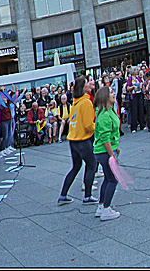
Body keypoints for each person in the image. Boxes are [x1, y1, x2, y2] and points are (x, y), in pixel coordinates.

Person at [58, 75, 96, 206]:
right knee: (92, 165)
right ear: (83, 87)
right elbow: (88, 125)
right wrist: (97, 128)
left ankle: (63, 195)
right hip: (83, 139)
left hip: (73, 139)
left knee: (76, 166)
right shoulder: (86, 102)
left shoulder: (75, 103)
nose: (90, 84)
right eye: (87, 83)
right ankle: (88, 196)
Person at [91, 86, 121, 221]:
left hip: (105, 151)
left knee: (108, 178)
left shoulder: (108, 112)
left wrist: (116, 148)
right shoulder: (104, 115)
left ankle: (102, 206)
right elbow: (104, 138)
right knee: (113, 180)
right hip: (104, 152)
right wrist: (111, 154)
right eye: (111, 93)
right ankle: (106, 209)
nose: (113, 94)